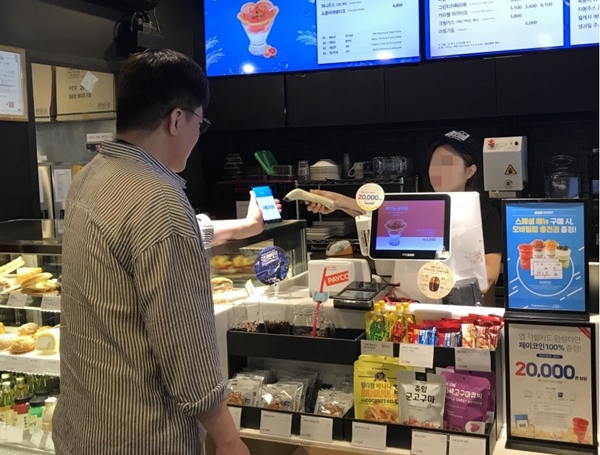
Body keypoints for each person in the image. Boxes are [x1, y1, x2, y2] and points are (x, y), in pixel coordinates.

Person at [53, 49, 256, 455]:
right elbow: (186, 348)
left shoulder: (89, 178)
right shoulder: (160, 201)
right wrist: (230, 441)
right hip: (142, 436)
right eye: (201, 122)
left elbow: (135, 247)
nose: (199, 135)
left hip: (80, 426)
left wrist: (245, 227)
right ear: (177, 119)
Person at [306, 130, 503, 303]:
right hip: (410, 302)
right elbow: (373, 212)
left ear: (470, 171)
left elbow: (490, 273)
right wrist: (336, 201)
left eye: (447, 164)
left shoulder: (485, 215)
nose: (437, 171)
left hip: (457, 305)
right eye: (434, 163)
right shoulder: (418, 206)